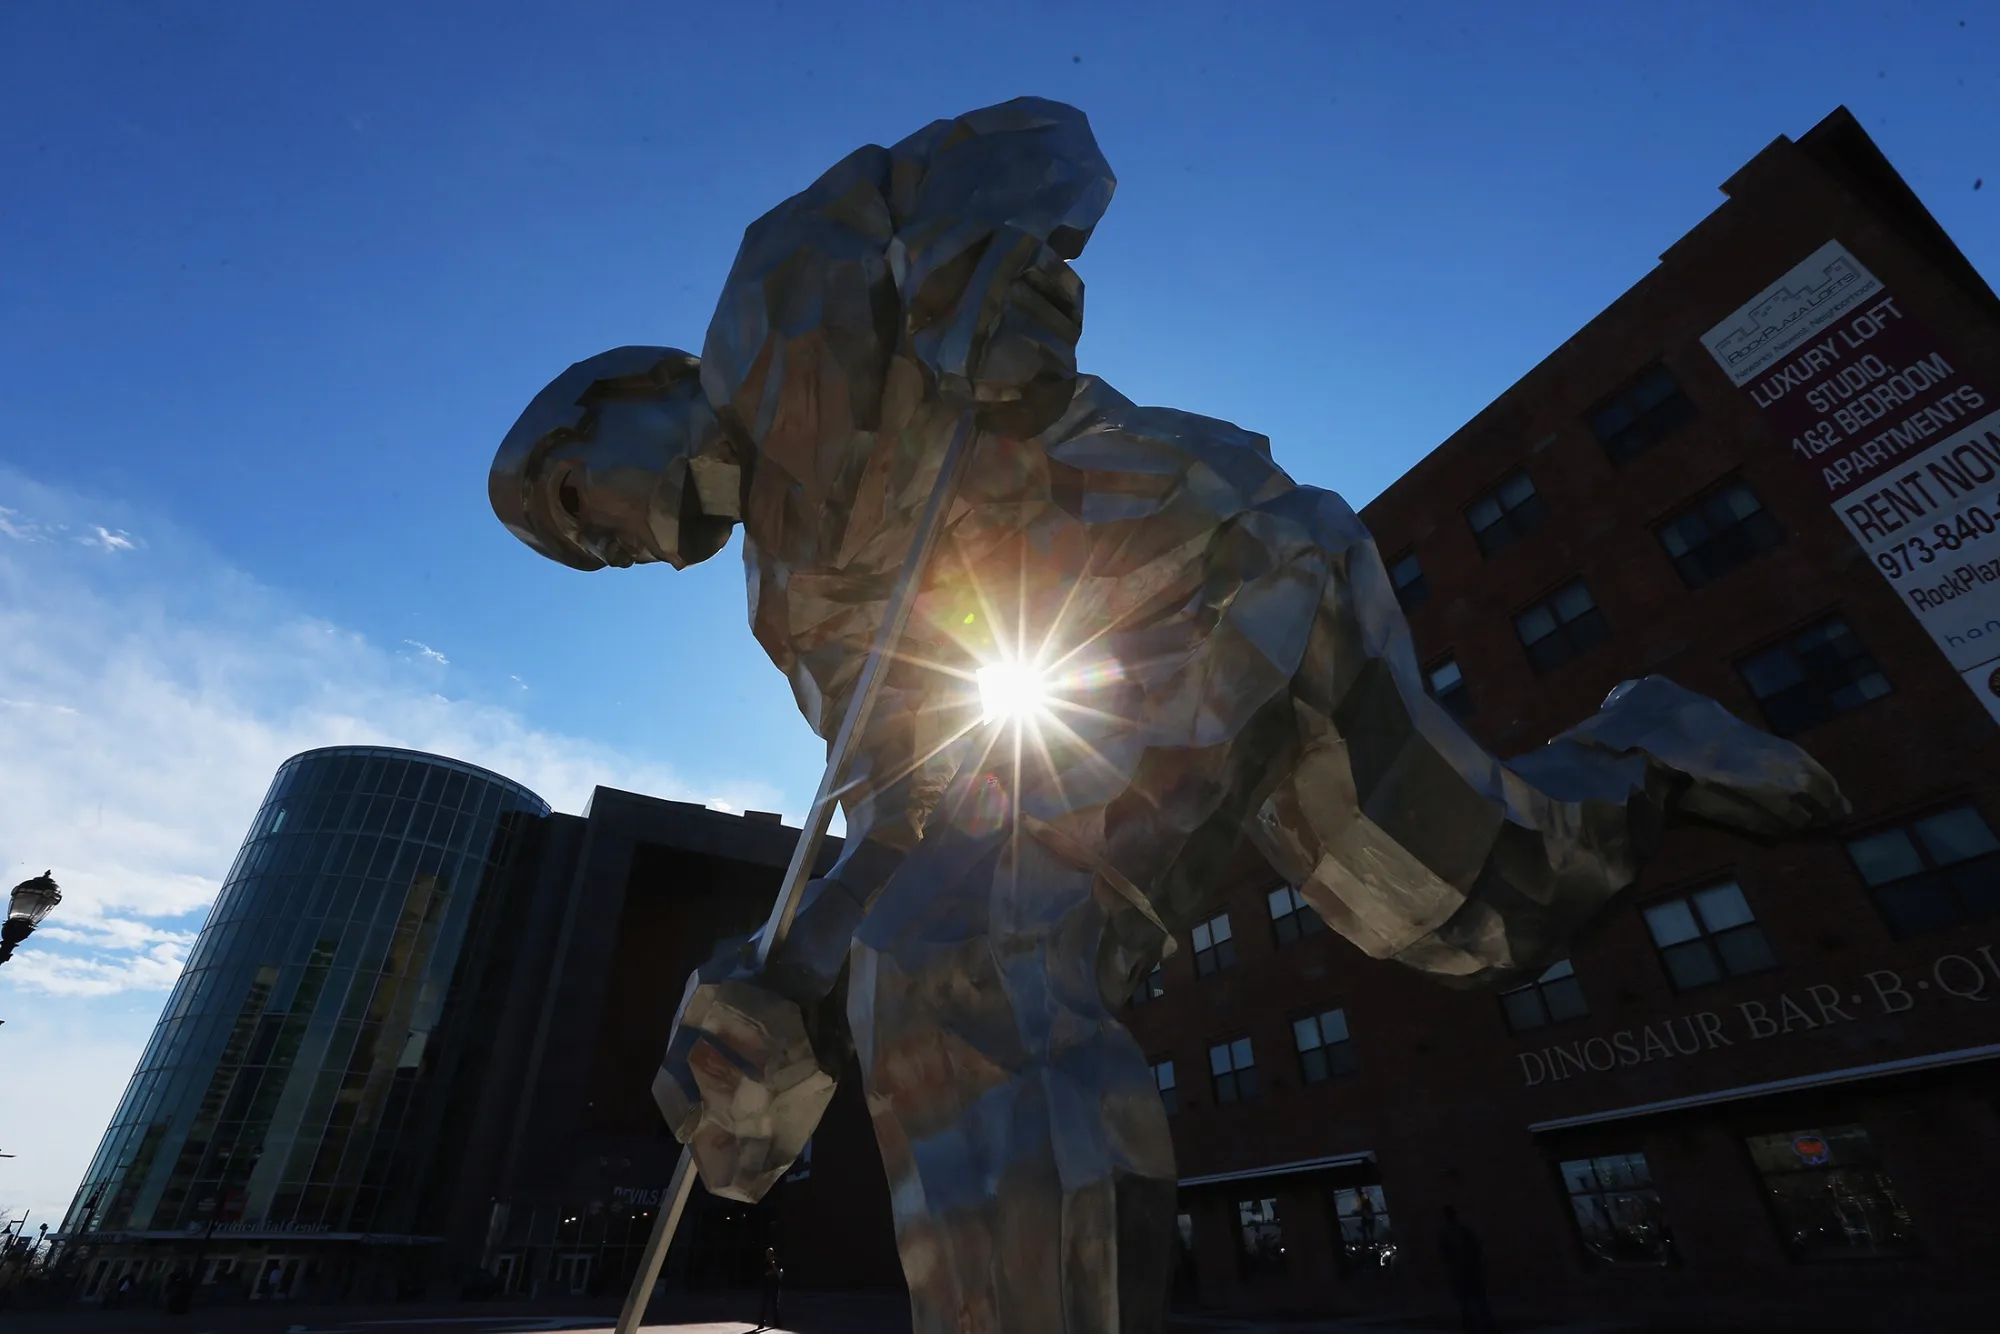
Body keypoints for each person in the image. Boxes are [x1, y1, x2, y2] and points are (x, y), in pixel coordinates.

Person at [491, 97, 1849, 1334]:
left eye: (572, 502)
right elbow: (928, 799)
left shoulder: (787, 294)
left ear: (623, 393)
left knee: (966, 951)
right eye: (579, 556)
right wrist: (785, 979)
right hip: (1090, 704)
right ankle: (1645, 746)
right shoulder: (787, 612)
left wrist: (983, 265)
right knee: (1471, 914)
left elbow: (1031, 137)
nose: (600, 546)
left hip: (1220, 576)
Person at [1438, 1207, 1497, 1334]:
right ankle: (1485, 1324)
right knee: (1478, 1299)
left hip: (1461, 1270)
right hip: (1470, 1269)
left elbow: (1445, 1255)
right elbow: (1476, 1248)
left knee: (1467, 1300)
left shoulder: (1448, 1234)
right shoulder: (1463, 1231)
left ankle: (1472, 1325)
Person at [757, 1246, 784, 1329]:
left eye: (770, 1254)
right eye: (767, 1254)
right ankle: (761, 1323)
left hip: (775, 1287)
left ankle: (777, 1323)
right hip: (766, 1287)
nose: (768, 1255)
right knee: (764, 1306)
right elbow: (764, 1274)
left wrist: (773, 1266)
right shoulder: (765, 1263)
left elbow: (780, 1273)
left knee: (775, 1306)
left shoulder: (778, 1262)